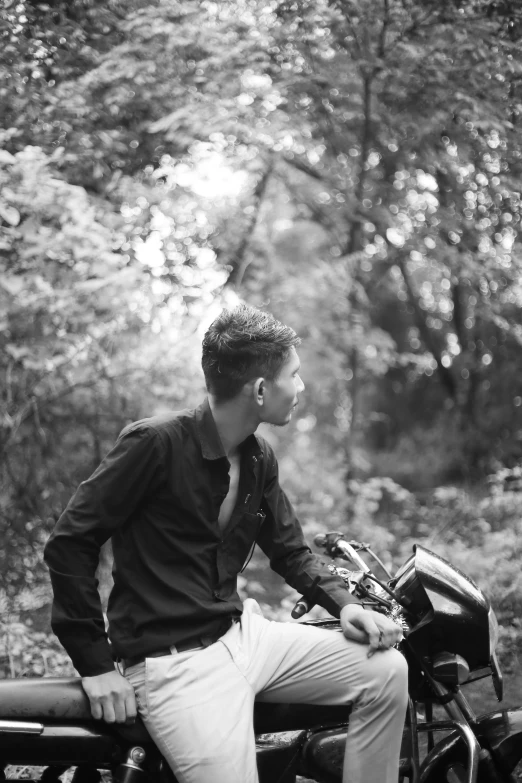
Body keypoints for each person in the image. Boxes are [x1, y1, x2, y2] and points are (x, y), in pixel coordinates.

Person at [44, 304, 408, 783]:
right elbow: (70, 541)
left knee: (386, 672)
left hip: (242, 636)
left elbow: (291, 551)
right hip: (174, 666)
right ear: (260, 390)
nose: (300, 387)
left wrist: (344, 605)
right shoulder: (154, 444)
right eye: (293, 376)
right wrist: (95, 665)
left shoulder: (258, 457)